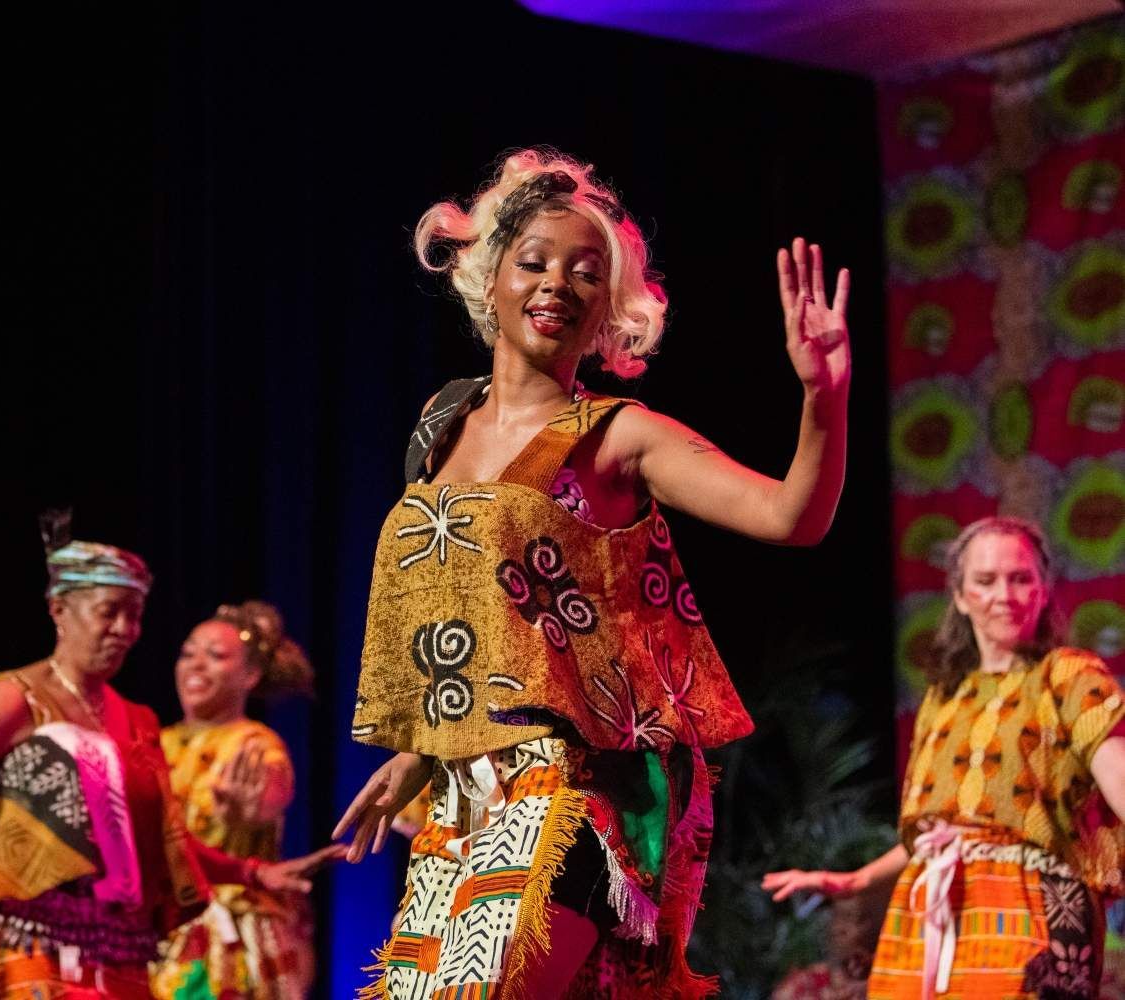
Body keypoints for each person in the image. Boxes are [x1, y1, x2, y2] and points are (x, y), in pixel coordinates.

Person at [335, 148, 852, 998]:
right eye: (534, 261)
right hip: (465, 796)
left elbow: (791, 516)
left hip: (576, 787)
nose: (557, 285)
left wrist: (822, 400)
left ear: (608, 310)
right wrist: (416, 752)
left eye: (586, 274)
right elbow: (451, 610)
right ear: (490, 275)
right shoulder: (440, 421)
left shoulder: (616, 434)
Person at [0, 516, 342, 999]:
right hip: (29, 946)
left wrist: (250, 872)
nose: (125, 629)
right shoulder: (14, 698)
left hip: (123, 952)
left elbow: (169, 842)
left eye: (135, 614)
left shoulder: (137, 721)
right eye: (110, 611)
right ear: (59, 609)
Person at [764, 516, 1125, 999]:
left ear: (1042, 589)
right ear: (959, 595)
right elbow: (940, 829)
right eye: (985, 580)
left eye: (1021, 578)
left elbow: (1119, 775)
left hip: (1029, 909)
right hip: (932, 913)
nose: (1004, 594)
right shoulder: (945, 697)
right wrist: (858, 879)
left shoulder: (1068, 675)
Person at [151, 601, 317, 999]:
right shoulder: (158, 741)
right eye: (188, 653)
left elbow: (270, 795)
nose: (196, 665)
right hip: (160, 928)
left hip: (227, 939)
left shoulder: (255, 745)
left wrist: (249, 812)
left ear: (250, 675)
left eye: (216, 656)